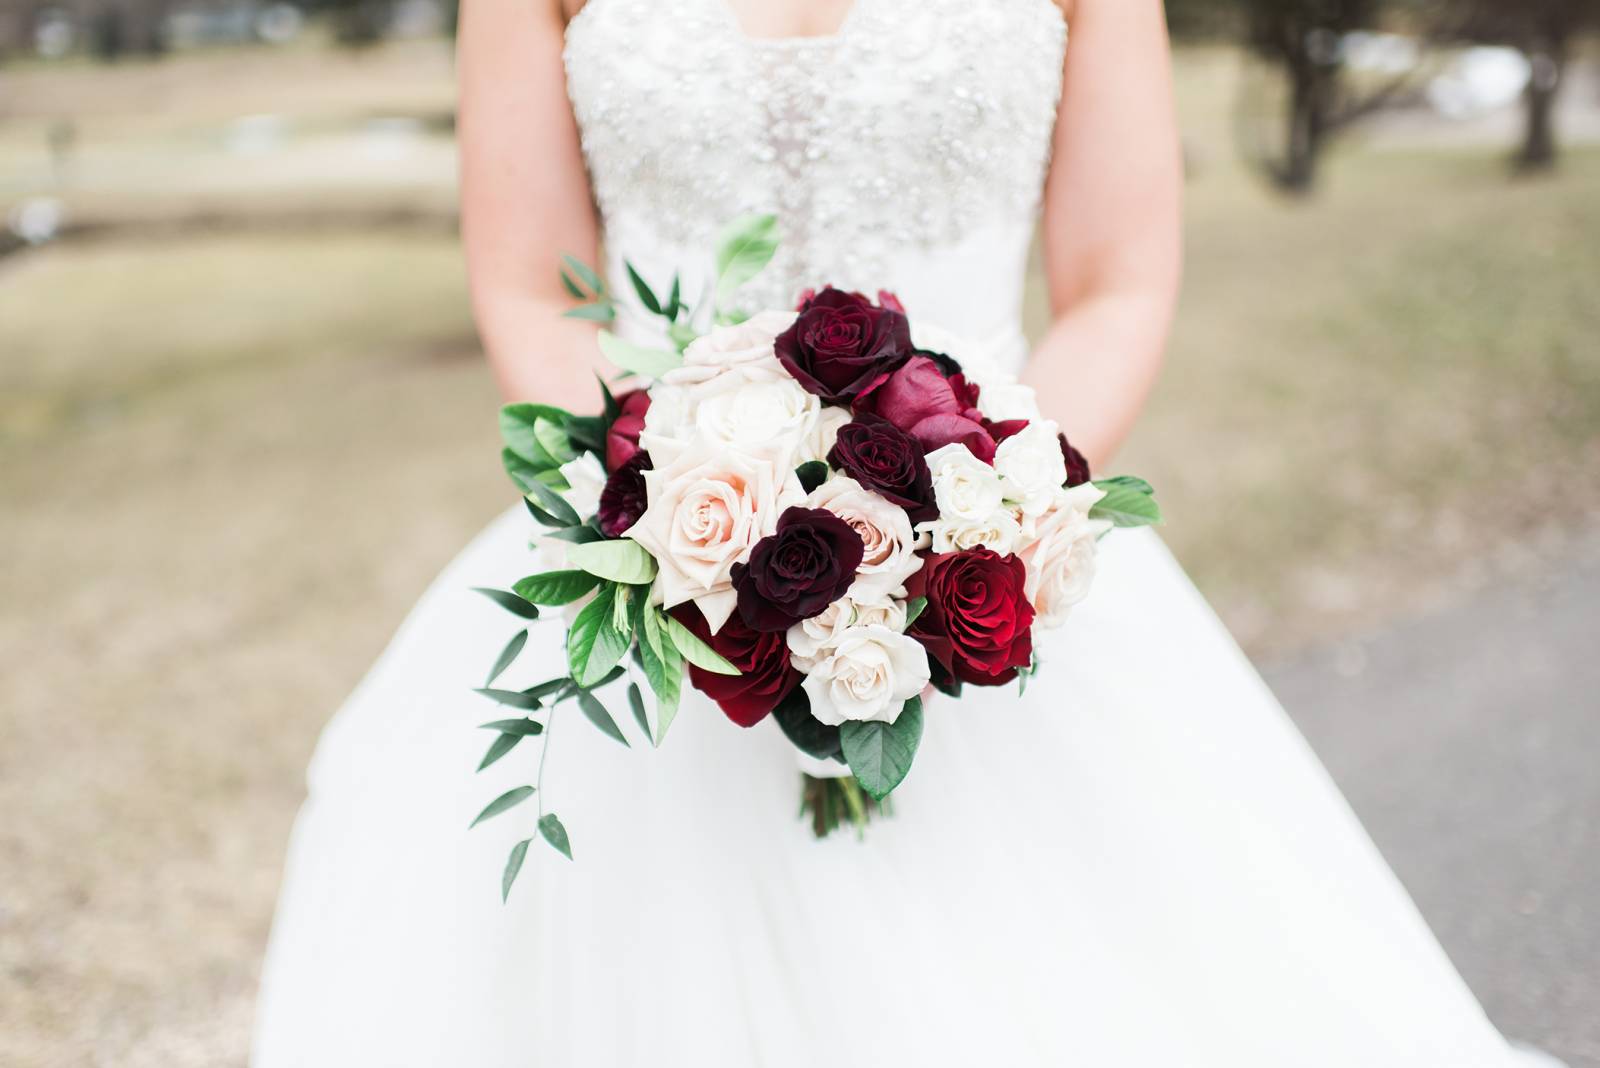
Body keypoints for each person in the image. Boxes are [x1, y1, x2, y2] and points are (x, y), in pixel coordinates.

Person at [252, 2, 1556, 1064]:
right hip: (659, 567)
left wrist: (974, 519)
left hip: (990, 546)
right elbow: (531, 283)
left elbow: (1118, 282)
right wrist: (665, 502)